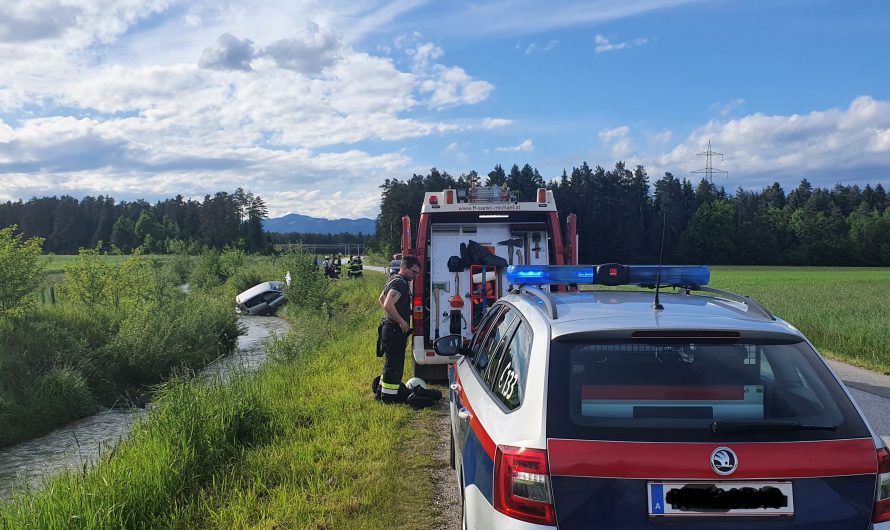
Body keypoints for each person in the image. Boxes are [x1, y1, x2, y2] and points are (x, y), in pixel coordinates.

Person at [376, 256, 421, 403]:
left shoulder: (393, 279)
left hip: (389, 329)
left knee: (390, 364)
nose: (415, 276)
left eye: (417, 274)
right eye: (414, 272)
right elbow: (388, 304)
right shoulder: (400, 283)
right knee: (395, 365)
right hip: (394, 330)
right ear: (405, 267)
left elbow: (381, 299)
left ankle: (381, 394)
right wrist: (401, 321)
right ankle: (389, 399)